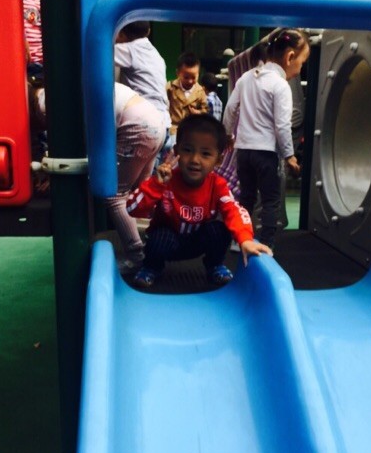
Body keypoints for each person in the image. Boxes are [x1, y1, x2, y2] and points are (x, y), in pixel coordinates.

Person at [126, 114, 272, 288]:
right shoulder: (164, 180)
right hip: (168, 242)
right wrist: (156, 185)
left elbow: (234, 210)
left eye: (205, 154)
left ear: (218, 160)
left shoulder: (217, 185)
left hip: (197, 242)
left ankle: (214, 265)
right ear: (176, 151)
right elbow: (132, 209)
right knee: (160, 236)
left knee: (219, 229)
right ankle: (152, 267)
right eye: (187, 150)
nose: (195, 160)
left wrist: (245, 239)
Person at [223, 28, 310, 250]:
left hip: (243, 151)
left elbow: (230, 109)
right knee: (271, 201)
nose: (300, 69)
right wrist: (290, 155)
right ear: (290, 57)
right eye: (302, 63)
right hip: (266, 153)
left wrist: (228, 135)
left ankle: (239, 240)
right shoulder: (280, 85)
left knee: (246, 198)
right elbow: (282, 126)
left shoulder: (245, 78)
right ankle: (266, 245)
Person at [105, 82, 165, 273]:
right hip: (155, 119)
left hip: (138, 125)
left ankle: (136, 255)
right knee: (143, 191)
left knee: (115, 195)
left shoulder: (46, 102)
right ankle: (158, 241)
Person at [114, 21, 172, 157]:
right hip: (164, 124)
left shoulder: (129, 50)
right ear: (149, 31)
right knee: (153, 170)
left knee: (123, 169)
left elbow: (99, 53)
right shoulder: (156, 55)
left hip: (146, 125)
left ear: (121, 34)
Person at [166, 52, 209, 138]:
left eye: (193, 77)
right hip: (174, 130)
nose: (190, 81)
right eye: (186, 77)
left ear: (198, 74)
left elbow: (206, 110)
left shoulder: (200, 91)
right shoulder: (170, 87)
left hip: (192, 130)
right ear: (178, 73)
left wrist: (199, 113)